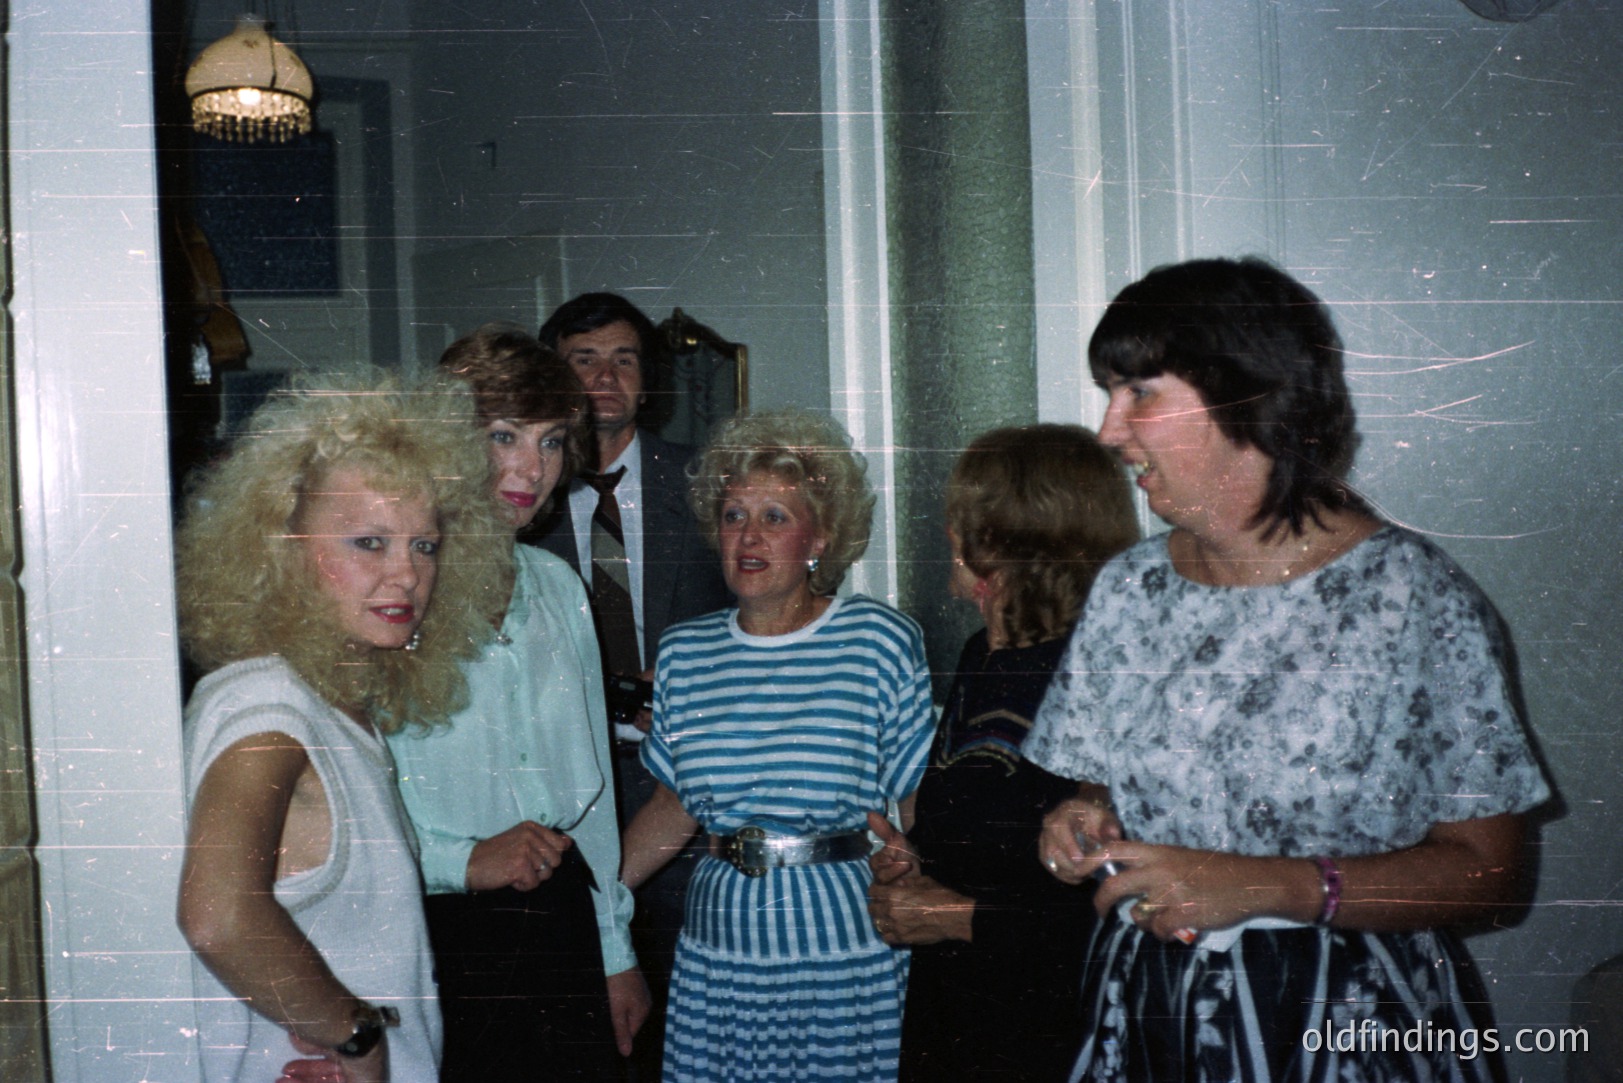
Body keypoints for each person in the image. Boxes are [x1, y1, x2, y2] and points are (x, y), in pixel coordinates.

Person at [1030, 257, 1552, 1083]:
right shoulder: (1128, 589)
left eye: (1139, 393)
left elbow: (1492, 873)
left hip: (1340, 1018)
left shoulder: (1408, 597)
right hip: (1152, 1011)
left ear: (1245, 398)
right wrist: (1086, 813)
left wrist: (1265, 884)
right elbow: (1107, 778)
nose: (1108, 430)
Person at [175, 369, 512, 1083]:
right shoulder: (269, 705)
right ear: (281, 546)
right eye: (368, 542)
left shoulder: (323, 700)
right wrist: (356, 1034)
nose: (406, 575)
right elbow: (217, 915)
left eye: (424, 545)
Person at [620, 410, 936, 1083]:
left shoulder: (878, 638)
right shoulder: (684, 652)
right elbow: (673, 805)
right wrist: (601, 906)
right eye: (734, 515)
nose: (749, 537)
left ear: (819, 536)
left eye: (775, 516)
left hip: (846, 944)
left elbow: (916, 796)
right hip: (720, 948)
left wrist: (922, 872)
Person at [386, 328, 648, 1081]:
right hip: (436, 927)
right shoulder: (393, 588)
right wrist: (461, 861)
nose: (532, 468)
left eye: (551, 441)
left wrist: (615, 951)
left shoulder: (557, 586)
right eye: (505, 436)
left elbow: (593, 796)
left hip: (562, 918)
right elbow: (349, 801)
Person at [864, 423, 1139, 1082]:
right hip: (956, 1011)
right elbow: (983, 824)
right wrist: (914, 856)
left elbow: (1120, 905)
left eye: (966, 517)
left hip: (1049, 1032)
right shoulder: (979, 655)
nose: (949, 532)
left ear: (1008, 542)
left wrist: (957, 917)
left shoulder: (1094, 673)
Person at [530, 292, 731, 1073]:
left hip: (684, 788)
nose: (604, 378)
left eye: (623, 359)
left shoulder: (708, 483)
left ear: (648, 380)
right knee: (583, 1004)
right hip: (564, 788)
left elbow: (759, 613)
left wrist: (695, 679)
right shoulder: (522, 497)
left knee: (691, 1006)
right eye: (583, 361)